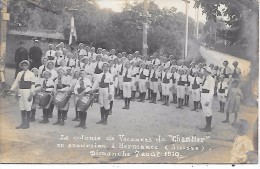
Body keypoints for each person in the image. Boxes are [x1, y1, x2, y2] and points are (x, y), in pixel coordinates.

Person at [10, 60, 36, 129]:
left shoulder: (31, 74)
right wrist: (11, 89)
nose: (24, 66)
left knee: (27, 107)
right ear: (21, 66)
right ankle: (22, 123)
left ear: (28, 66)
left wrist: (31, 93)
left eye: (26, 65)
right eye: (23, 65)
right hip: (20, 91)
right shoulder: (19, 73)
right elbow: (16, 82)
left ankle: (27, 124)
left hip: (28, 91)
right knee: (22, 107)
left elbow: (33, 84)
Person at [199, 67, 215, 132]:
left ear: (207, 72)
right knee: (205, 111)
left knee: (208, 111)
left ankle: (209, 127)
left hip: (207, 96)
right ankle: (206, 126)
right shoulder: (205, 78)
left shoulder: (211, 79)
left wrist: (208, 100)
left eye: (204, 71)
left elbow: (211, 91)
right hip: (203, 95)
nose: (203, 72)